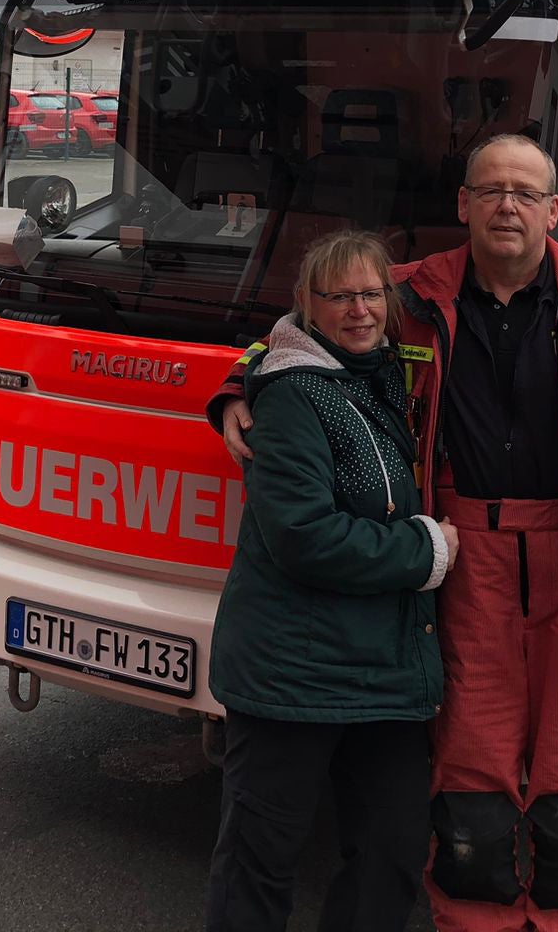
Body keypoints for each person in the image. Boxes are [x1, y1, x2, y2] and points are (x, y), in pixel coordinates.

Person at [211, 136, 558, 932]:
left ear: (552, 210)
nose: (508, 205)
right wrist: (240, 385)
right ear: (464, 205)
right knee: (471, 790)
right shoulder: (413, 295)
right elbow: (314, 324)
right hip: (462, 560)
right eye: (491, 189)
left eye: (525, 192)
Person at [204, 229, 462, 932]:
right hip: (293, 676)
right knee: (259, 861)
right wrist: (427, 550)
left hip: (385, 671)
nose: (359, 309)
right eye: (340, 296)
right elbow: (304, 538)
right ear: (306, 305)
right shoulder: (292, 395)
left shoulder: (387, 368)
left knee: (391, 852)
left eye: (372, 294)